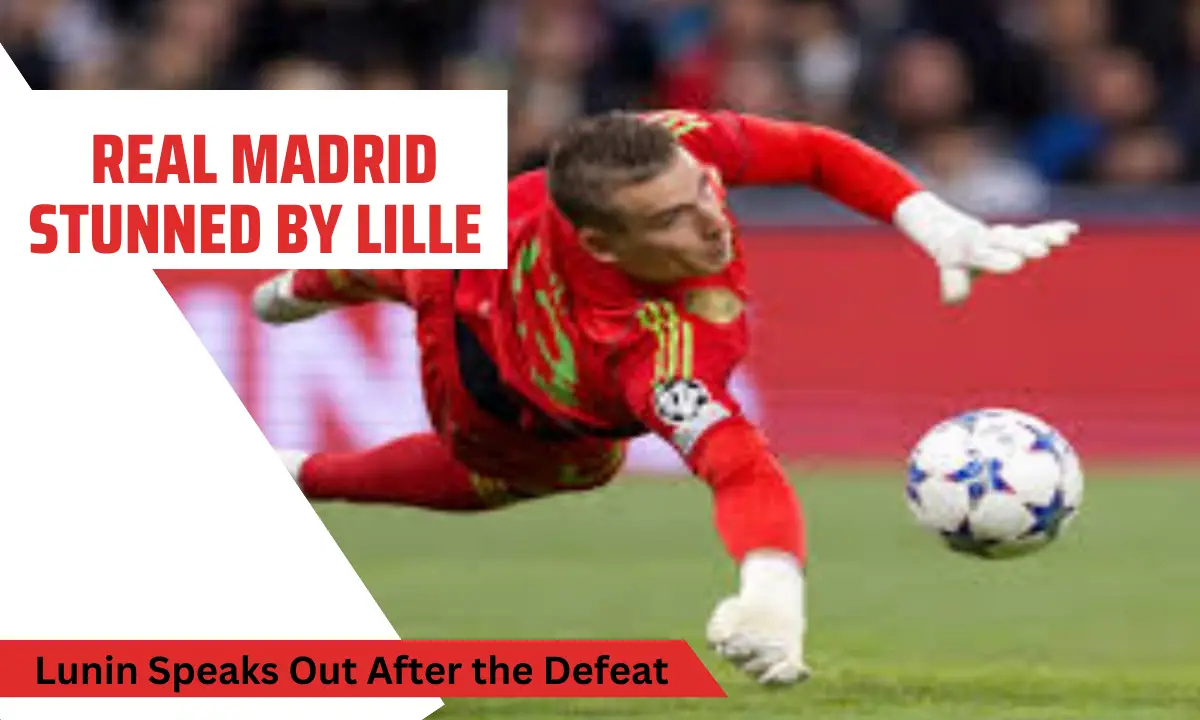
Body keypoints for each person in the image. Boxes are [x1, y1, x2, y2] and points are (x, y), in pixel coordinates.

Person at [252, 108, 1078, 686]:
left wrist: (933, 222)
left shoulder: (664, 157)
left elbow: (818, 154)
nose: (713, 224)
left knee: (423, 282)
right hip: (486, 338)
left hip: (490, 323)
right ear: (606, 242)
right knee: (414, 293)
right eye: (675, 220)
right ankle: (299, 401)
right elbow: (742, 470)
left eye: (706, 191)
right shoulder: (656, 343)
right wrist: (773, 592)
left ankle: (298, 395)